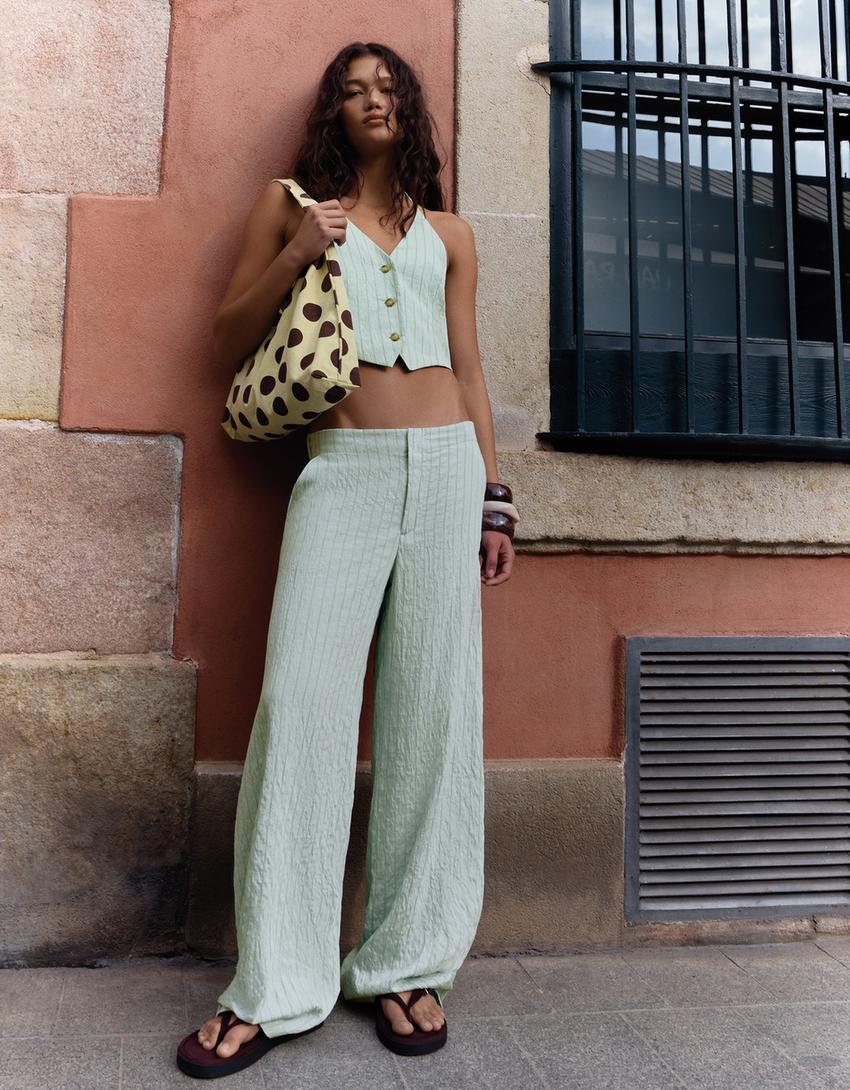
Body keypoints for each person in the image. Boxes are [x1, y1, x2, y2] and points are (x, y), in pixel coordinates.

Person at [176, 39, 516, 1080]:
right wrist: (297, 251)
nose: (373, 100)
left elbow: (468, 369)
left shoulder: (450, 235)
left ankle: (407, 964)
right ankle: (274, 983)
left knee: (433, 719)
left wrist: (494, 498)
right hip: (343, 473)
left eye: (388, 88)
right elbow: (226, 340)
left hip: (447, 472)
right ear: (334, 111)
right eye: (354, 90)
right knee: (300, 709)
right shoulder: (289, 208)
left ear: (409, 110)